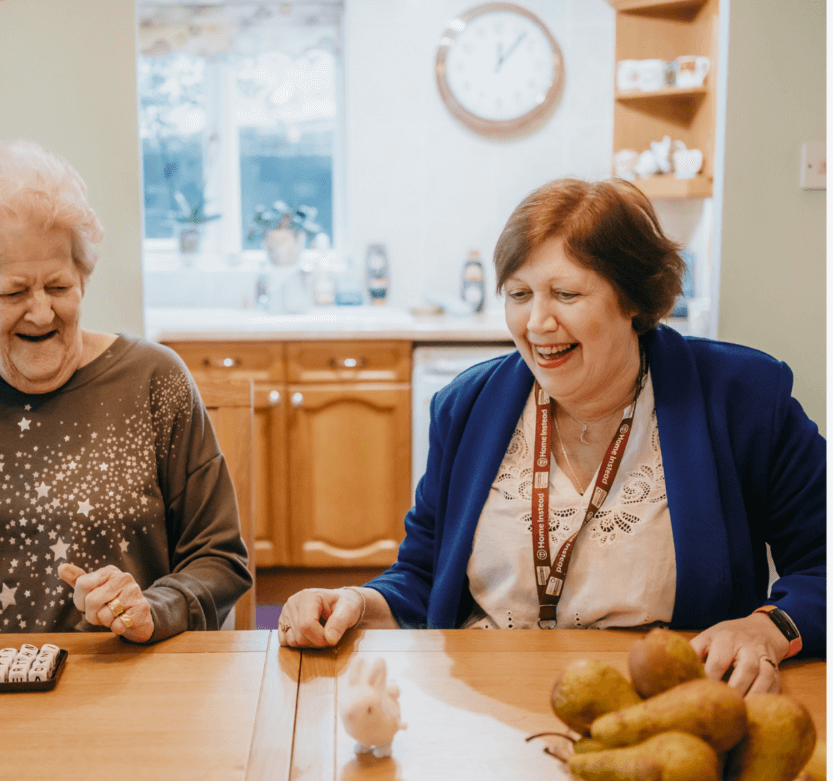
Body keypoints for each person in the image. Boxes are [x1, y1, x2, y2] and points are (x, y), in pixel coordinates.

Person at [278, 178, 825, 696]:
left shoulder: (742, 399)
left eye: (565, 293)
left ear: (632, 299)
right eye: (519, 294)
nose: (537, 323)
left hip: (664, 709)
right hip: (480, 710)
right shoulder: (466, 407)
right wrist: (351, 600)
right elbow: (422, 577)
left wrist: (769, 627)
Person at [0, 139, 251, 668]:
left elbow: (220, 558)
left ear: (84, 277)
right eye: (12, 293)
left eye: (59, 285)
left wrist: (154, 607)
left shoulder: (155, 379)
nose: (40, 312)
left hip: (134, 690)